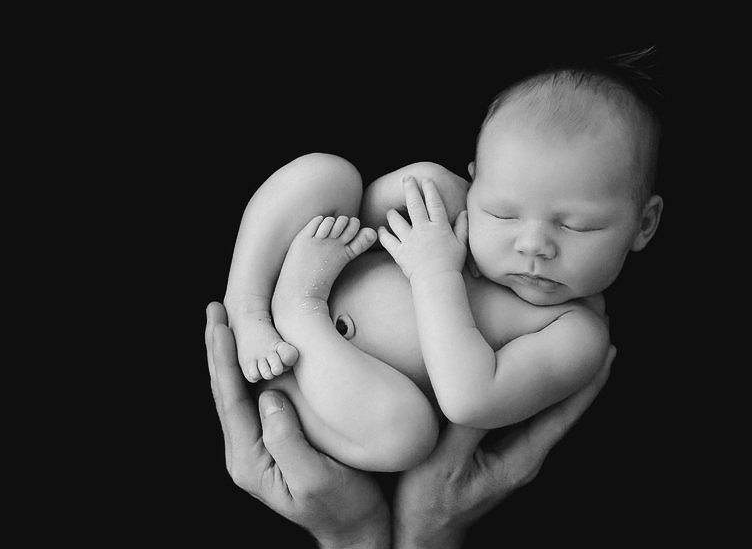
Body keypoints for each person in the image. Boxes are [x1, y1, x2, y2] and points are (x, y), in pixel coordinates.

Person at [223, 62, 662, 471]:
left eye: (576, 226)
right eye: (503, 214)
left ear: (644, 224)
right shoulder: (458, 217)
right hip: (270, 328)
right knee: (328, 175)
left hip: (323, 399)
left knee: (408, 437)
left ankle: (297, 310)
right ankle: (248, 306)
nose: (533, 245)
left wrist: (437, 273)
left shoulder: (576, 333)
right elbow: (364, 218)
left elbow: (470, 399)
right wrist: (418, 186)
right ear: (477, 183)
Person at [204, 301, 615, 549]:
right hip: (298, 409)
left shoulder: (569, 327)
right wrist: (376, 543)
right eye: (503, 212)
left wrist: (379, 543)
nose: (534, 245)